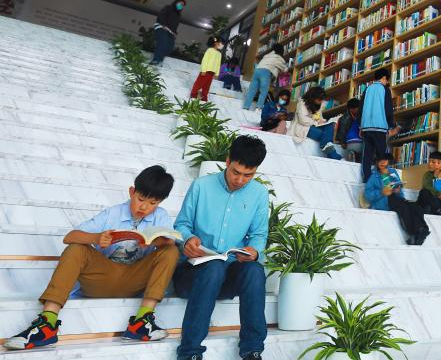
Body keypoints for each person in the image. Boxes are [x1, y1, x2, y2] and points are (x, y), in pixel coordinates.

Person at [3, 166, 178, 350]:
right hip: (102, 278)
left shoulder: (161, 216)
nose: (144, 207)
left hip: (135, 281)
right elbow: (69, 237)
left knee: (171, 251)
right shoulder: (112, 214)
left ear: (160, 202)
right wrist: (96, 238)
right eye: (140, 199)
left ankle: (142, 321)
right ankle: (47, 323)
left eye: (152, 203)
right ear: (131, 192)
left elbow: (171, 241)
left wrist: (155, 241)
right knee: (76, 248)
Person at [173, 135, 269, 360]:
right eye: (236, 172)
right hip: (193, 275)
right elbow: (181, 225)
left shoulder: (259, 194)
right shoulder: (201, 186)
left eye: (248, 175)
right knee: (214, 266)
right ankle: (189, 353)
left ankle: (252, 349)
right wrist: (188, 239)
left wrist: (254, 251)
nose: (240, 180)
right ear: (227, 161)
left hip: (227, 276)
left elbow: (258, 235)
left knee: (255, 270)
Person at [364, 153, 429, 246]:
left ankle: (422, 230)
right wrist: (381, 192)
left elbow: (398, 187)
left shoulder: (393, 172)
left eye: (385, 160)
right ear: (376, 162)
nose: (382, 162)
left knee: (414, 206)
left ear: (388, 161)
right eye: (379, 160)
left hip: (396, 198)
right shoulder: (374, 176)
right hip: (383, 202)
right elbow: (367, 195)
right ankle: (414, 233)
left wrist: (398, 191)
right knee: (404, 207)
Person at [360, 68, 399, 182]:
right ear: (384, 78)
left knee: (367, 155)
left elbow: (361, 108)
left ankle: (367, 180)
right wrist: (391, 125)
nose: (387, 82)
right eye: (387, 80)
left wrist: (360, 126)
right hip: (380, 127)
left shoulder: (367, 89)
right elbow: (388, 108)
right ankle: (384, 180)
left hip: (366, 128)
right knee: (382, 155)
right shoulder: (385, 89)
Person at [289, 86, 341, 159]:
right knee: (324, 135)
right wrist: (316, 122)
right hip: (304, 127)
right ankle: (332, 154)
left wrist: (323, 121)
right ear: (313, 97)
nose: (321, 101)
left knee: (330, 125)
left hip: (315, 126)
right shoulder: (302, 103)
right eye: (320, 99)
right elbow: (303, 120)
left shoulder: (318, 105)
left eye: (322, 99)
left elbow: (319, 118)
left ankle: (327, 147)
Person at [243, 44, 287, 111]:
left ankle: (246, 107)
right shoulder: (278, 58)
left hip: (257, 71)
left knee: (251, 91)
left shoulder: (267, 55)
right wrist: (287, 68)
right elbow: (284, 69)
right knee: (263, 92)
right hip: (265, 72)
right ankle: (258, 108)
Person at [150, 0, 186, 65]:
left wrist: (175, 33)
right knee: (163, 42)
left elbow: (175, 25)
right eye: (180, 4)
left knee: (170, 47)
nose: (181, 5)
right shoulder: (168, 8)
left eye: (182, 5)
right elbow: (161, 15)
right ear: (176, 2)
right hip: (161, 27)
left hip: (170, 32)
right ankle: (155, 60)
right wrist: (163, 25)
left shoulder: (178, 14)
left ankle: (160, 60)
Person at [190, 36, 224, 102]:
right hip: (206, 71)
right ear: (216, 43)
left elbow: (218, 64)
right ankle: (193, 94)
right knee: (199, 83)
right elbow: (204, 61)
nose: (222, 45)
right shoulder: (209, 50)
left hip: (212, 73)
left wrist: (217, 74)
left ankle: (204, 97)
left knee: (207, 86)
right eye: (221, 43)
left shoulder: (219, 54)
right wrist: (203, 70)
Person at [334, 98, 363, 162]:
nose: (359, 109)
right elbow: (342, 130)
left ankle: (354, 155)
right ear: (351, 109)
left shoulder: (356, 116)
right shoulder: (346, 118)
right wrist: (343, 142)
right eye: (357, 108)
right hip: (350, 141)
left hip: (350, 141)